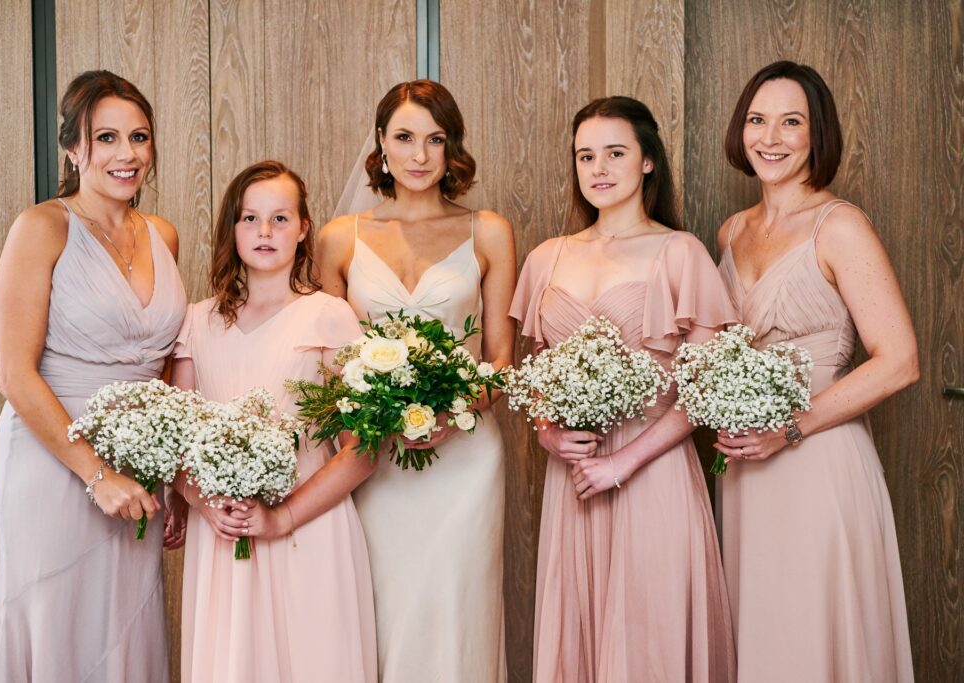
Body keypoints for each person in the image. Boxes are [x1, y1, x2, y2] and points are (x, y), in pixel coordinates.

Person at [510, 96, 737, 682]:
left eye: (615, 152)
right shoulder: (546, 259)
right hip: (577, 480)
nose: (599, 169)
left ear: (647, 162)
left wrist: (626, 461)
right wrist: (547, 434)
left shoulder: (680, 253)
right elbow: (534, 372)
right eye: (586, 156)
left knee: (649, 637)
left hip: (652, 472)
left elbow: (705, 387)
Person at [0, 70, 186, 682]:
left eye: (140, 137)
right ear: (73, 148)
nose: (127, 155)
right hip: (55, 459)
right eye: (107, 138)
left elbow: (166, 368)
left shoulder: (163, 235)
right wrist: (97, 475)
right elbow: (15, 374)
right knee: (54, 618)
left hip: (138, 466)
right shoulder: (42, 228)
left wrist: (169, 474)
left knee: (123, 625)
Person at [714, 61, 916, 682]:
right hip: (748, 470)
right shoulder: (732, 231)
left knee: (814, 633)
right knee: (765, 636)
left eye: (790, 122)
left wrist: (791, 428)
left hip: (819, 459)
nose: (770, 137)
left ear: (816, 135)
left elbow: (900, 360)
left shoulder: (841, 226)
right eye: (757, 120)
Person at [317, 79, 516, 682]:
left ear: (451, 147)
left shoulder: (490, 231)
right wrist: (378, 419)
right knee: (383, 607)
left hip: (466, 458)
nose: (420, 155)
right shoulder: (338, 238)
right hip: (376, 458)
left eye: (435, 139)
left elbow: (502, 361)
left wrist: (449, 415)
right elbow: (329, 364)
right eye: (404, 138)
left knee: (459, 610)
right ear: (380, 144)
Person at [172, 160, 377, 682]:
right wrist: (206, 503)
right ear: (232, 228)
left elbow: (363, 449)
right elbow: (175, 440)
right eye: (250, 218)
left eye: (280, 219)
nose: (265, 232)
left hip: (307, 529)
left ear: (303, 228)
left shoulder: (330, 315)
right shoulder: (196, 322)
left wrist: (280, 518)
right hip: (223, 532)